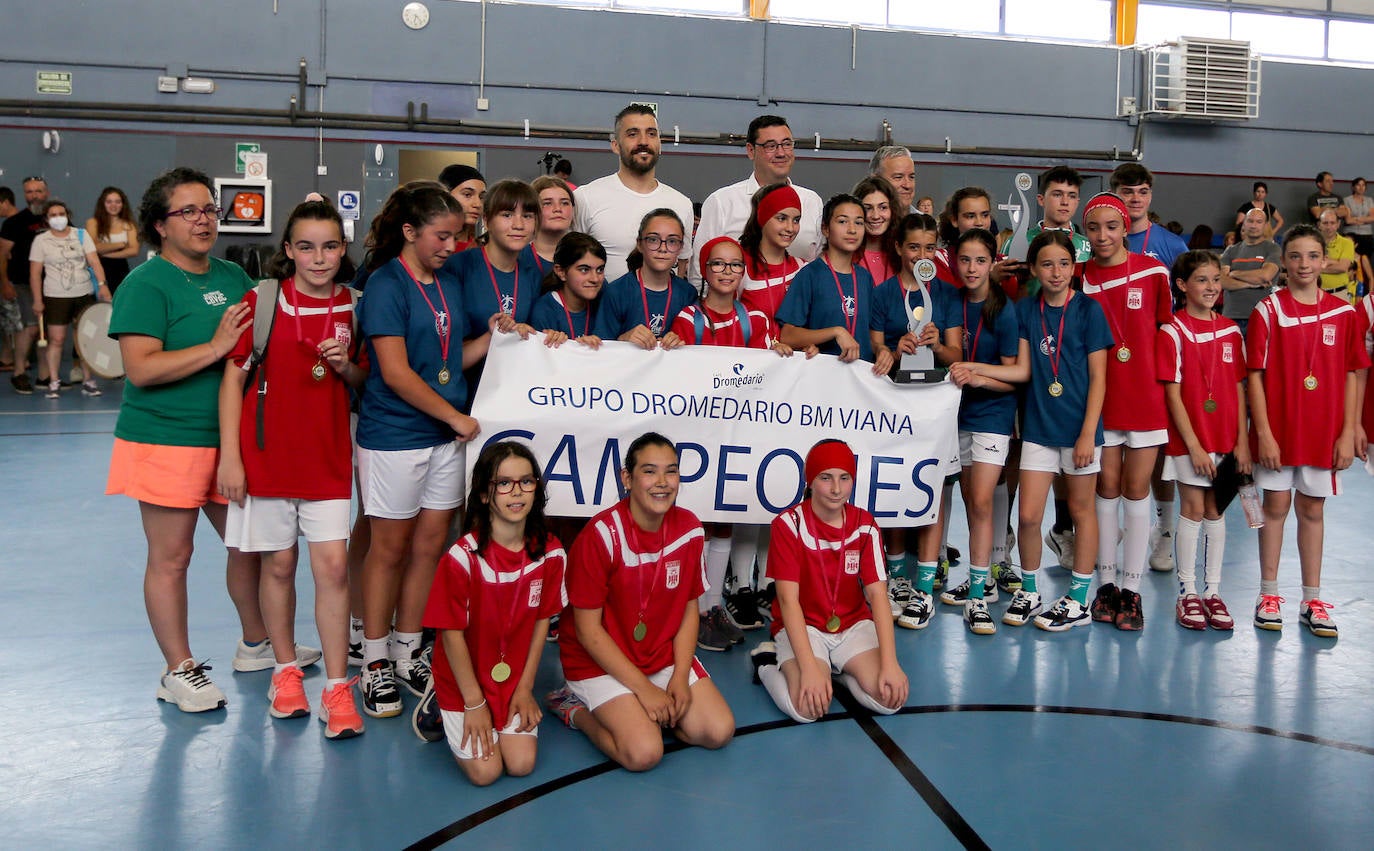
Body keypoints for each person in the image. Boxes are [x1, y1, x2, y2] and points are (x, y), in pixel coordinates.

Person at [107, 167, 319, 713]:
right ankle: (178, 669)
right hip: (165, 440)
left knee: (251, 546)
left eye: (209, 209)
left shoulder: (231, 275)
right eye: (189, 211)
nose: (204, 220)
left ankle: (257, 643)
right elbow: (141, 369)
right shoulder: (144, 285)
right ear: (160, 224)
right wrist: (216, 346)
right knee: (172, 557)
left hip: (231, 442)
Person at [217, 200, 367, 737]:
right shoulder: (262, 302)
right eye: (306, 246)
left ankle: (335, 688)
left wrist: (347, 366)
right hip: (266, 459)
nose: (318, 257)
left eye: (329, 246)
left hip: (327, 461)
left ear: (342, 250)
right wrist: (231, 459)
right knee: (278, 568)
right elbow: (233, 380)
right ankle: (284, 672)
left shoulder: (356, 306)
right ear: (288, 251)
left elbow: (364, 384)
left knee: (332, 569)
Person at [354, 181, 481, 718]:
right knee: (390, 549)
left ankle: (409, 647)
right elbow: (396, 373)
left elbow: (454, 355)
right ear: (410, 232)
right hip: (396, 436)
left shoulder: (447, 283)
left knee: (431, 545)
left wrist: (499, 337)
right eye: (442, 236)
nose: (451, 246)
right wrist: (454, 415)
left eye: (456, 236)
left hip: (444, 439)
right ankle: (374, 660)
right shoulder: (386, 284)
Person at [546, 433, 735, 771]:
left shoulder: (690, 529)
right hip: (598, 663)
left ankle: (650, 713)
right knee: (644, 753)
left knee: (718, 731)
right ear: (627, 478)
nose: (662, 483)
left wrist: (679, 676)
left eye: (671, 471)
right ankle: (574, 708)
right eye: (649, 471)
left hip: (659, 656)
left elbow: (689, 609)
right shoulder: (600, 535)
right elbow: (588, 633)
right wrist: (645, 691)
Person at [959, 231, 1112, 630]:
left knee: (1081, 512)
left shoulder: (1090, 312)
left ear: (1074, 267)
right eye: (1046, 264)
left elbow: (1099, 379)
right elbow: (1023, 370)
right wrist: (976, 369)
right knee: (1028, 516)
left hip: (1080, 432)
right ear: (1034, 269)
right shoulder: (1027, 310)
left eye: (1063, 263)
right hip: (1039, 430)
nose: (1056, 272)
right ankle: (1029, 589)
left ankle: (1078, 598)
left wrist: (1086, 434)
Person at [413, 441, 566, 785]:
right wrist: (472, 703)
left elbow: (543, 621)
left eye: (526, 482)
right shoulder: (461, 557)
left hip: (511, 678)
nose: (517, 492)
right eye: (504, 483)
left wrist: (525, 688)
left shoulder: (552, 552)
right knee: (486, 773)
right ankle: (438, 699)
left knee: (521, 764)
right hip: (463, 680)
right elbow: (450, 634)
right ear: (484, 494)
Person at [672, 236, 797, 648]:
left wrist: (782, 355)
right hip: (695, 435)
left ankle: (711, 607)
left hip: (738, 435)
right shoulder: (687, 320)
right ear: (704, 271)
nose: (727, 272)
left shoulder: (756, 320)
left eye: (735, 266)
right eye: (718, 265)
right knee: (692, 518)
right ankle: (684, 608)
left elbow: (770, 368)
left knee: (724, 514)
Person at [1247, 224, 1368, 637]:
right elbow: (1256, 377)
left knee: (1313, 510)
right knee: (1275, 508)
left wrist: (1350, 429)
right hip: (1278, 433)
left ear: (1325, 261)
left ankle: (1312, 598)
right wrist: (1263, 433)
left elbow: (1353, 374)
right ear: (1283, 261)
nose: (1303, 264)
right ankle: (1268, 593)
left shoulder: (1343, 313)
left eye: (1312, 256)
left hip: (1324, 433)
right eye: (1295, 256)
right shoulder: (1268, 312)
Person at [748, 439, 909, 721]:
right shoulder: (789, 524)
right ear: (810, 481)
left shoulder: (865, 525)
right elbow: (787, 600)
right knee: (807, 709)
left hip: (852, 625)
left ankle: (842, 671)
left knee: (889, 699)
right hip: (805, 628)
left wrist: (890, 663)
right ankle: (765, 663)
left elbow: (879, 596)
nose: (836, 489)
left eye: (844, 478)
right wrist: (809, 667)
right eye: (826, 478)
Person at [1080, 192, 1173, 631]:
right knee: (1107, 488)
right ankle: (1106, 586)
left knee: (1137, 490)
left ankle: (1132, 593)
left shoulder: (1154, 272)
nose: (1102, 236)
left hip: (1146, 397)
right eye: (1093, 228)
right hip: (1099, 399)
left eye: (1111, 227)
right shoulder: (1078, 276)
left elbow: (1166, 331)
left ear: (1125, 227)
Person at [1156, 250, 1249, 631]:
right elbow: (1172, 394)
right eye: (1201, 280)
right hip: (1188, 441)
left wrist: (1243, 441)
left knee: (1216, 511)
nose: (1210, 287)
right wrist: (1193, 445)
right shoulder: (1172, 331)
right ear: (1182, 286)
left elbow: (1240, 389)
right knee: (1193, 509)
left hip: (1227, 439)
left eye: (1215, 279)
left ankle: (1212, 591)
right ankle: (1187, 592)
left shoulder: (1230, 331)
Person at [868, 212, 953, 627]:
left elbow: (957, 356)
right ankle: (897, 575)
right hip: (893, 408)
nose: (922, 255)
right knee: (897, 484)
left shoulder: (948, 294)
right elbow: (875, 351)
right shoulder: (883, 294)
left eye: (929, 248)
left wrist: (940, 346)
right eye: (914, 247)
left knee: (931, 488)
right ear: (899, 248)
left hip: (935, 409)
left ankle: (923, 584)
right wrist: (895, 349)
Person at [939, 229, 1023, 635]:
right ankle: (982, 580)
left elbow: (1014, 378)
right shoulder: (950, 302)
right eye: (965, 260)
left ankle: (977, 596)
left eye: (980, 260)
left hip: (992, 413)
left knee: (984, 500)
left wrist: (978, 378)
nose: (971, 268)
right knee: (973, 500)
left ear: (993, 263)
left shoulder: (1004, 310)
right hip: (957, 416)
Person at [690, 115, 823, 285]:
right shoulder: (722, 202)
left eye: (787, 144)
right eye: (771, 146)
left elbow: (820, 266)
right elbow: (700, 273)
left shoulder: (812, 201)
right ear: (750, 151)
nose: (781, 153)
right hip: (739, 310)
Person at [572, 104, 695, 281]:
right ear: (615, 145)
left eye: (651, 134)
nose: (643, 141)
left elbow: (682, 265)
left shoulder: (681, 204)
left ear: (660, 144)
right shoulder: (586, 197)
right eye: (633, 134)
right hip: (603, 306)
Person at [777, 193, 890, 373]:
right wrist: (836, 331)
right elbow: (788, 335)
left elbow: (870, 333)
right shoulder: (810, 275)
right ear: (826, 229)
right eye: (843, 221)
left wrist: (882, 350)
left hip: (862, 379)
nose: (852, 229)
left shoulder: (864, 278)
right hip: (823, 380)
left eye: (859, 222)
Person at [29, 198, 109, 397]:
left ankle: (88, 380)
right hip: (55, 296)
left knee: (84, 339)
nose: (58, 218)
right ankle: (54, 381)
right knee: (57, 339)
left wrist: (102, 285)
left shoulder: (81, 235)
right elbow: (35, 274)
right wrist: (38, 300)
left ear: (68, 216)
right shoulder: (41, 241)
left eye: (61, 214)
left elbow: (94, 262)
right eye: (53, 215)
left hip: (84, 294)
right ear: (47, 220)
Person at [592, 208, 697, 348]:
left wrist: (682, 340)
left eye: (672, 241)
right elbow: (600, 348)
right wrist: (624, 339)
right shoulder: (616, 292)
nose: (663, 248)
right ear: (640, 244)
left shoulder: (688, 293)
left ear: (680, 248)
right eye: (653, 239)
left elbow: (696, 350)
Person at [2, 177, 51, 393]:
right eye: (30, 192)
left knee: (47, 331)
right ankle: (19, 372)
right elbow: (2, 255)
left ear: (46, 193)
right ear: (24, 195)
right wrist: (5, 283)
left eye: (38, 191)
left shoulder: (56, 218)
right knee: (29, 329)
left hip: (52, 285)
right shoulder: (14, 223)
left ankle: (44, 376)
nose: (35, 195)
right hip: (23, 283)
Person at [737, 182, 804, 325]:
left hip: (792, 347)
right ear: (763, 218)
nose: (790, 228)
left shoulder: (802, 268)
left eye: (796, 220)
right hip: (749, 347)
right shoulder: (740, 265)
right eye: (782, 218)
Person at [529, 231, 606, 348]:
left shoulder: (605, 300)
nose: (595, 278)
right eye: (584, 270)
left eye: (600, 270)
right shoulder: (544, 310)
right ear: (561, 272)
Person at [1220, 208, 1281, 338]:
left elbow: (1265, 275)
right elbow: (1222, 281)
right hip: (1231, 316)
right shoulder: (1231, 250)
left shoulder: (1272, 248)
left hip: (1261, 317)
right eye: (1250, 221)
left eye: (1259, 222)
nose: (1254, 225)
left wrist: (1235, 273)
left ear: (1265, 225)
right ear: (1244, 223)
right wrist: (1250, 284)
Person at [86, 186, 140, 294]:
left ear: (123, 204)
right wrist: (120, 245)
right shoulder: (93, 222)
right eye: (109, 202)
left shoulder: (129, 224)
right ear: (103, 204)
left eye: (117, 202)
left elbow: (134, 250)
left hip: (121, 269)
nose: (113, 205)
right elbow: (93, 247)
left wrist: (106, 254)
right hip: (99, 268)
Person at [852, 176, 901, 286]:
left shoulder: (902, 254)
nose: (875, 216)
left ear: (892, 210)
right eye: (868, 208)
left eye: (883, 207)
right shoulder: (846, 254)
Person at [524, 175, 575, 272]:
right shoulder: (515, 258)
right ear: (531, 211)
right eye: (547, 203)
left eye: (564, 203)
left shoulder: (586, 257)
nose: (558, 209)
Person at [438, 164, 486, 253]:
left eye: (481, 197)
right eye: (467, 194)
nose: (478, 204)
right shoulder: (431, 249)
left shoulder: (484, 250)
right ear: (445, 196)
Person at [1317, 209, 1358, 302]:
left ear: (1338, 224)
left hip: (1339, 294)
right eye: (1325, 223)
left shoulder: (1347, 243)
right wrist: (1335, 262)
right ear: (1319, 224)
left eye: (1332, 223)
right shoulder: (1311, 242)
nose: (1329, 227)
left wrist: (1316, 268)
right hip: (1315, 294)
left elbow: (1342, 267)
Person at [1342, 178, 1374, 288]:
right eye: (1358, 185)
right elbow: (1347, 220)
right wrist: (1364, 219)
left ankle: (1366, 291)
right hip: (1351, 235)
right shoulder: (1346, 200)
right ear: (1353, 187)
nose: (1361, 187)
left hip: (1367, 236)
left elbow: (1373, 217)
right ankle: (1350, 288)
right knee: (1351, 263)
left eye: (1363, 185)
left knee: (1365, 265)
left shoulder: (1369, 200)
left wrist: (1356, 219)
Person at [869, 146, 917, 213]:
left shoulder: (927, 222)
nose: (908, 185)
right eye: (898, 177)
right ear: (876, 180)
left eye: (911, 177)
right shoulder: (858, 221)